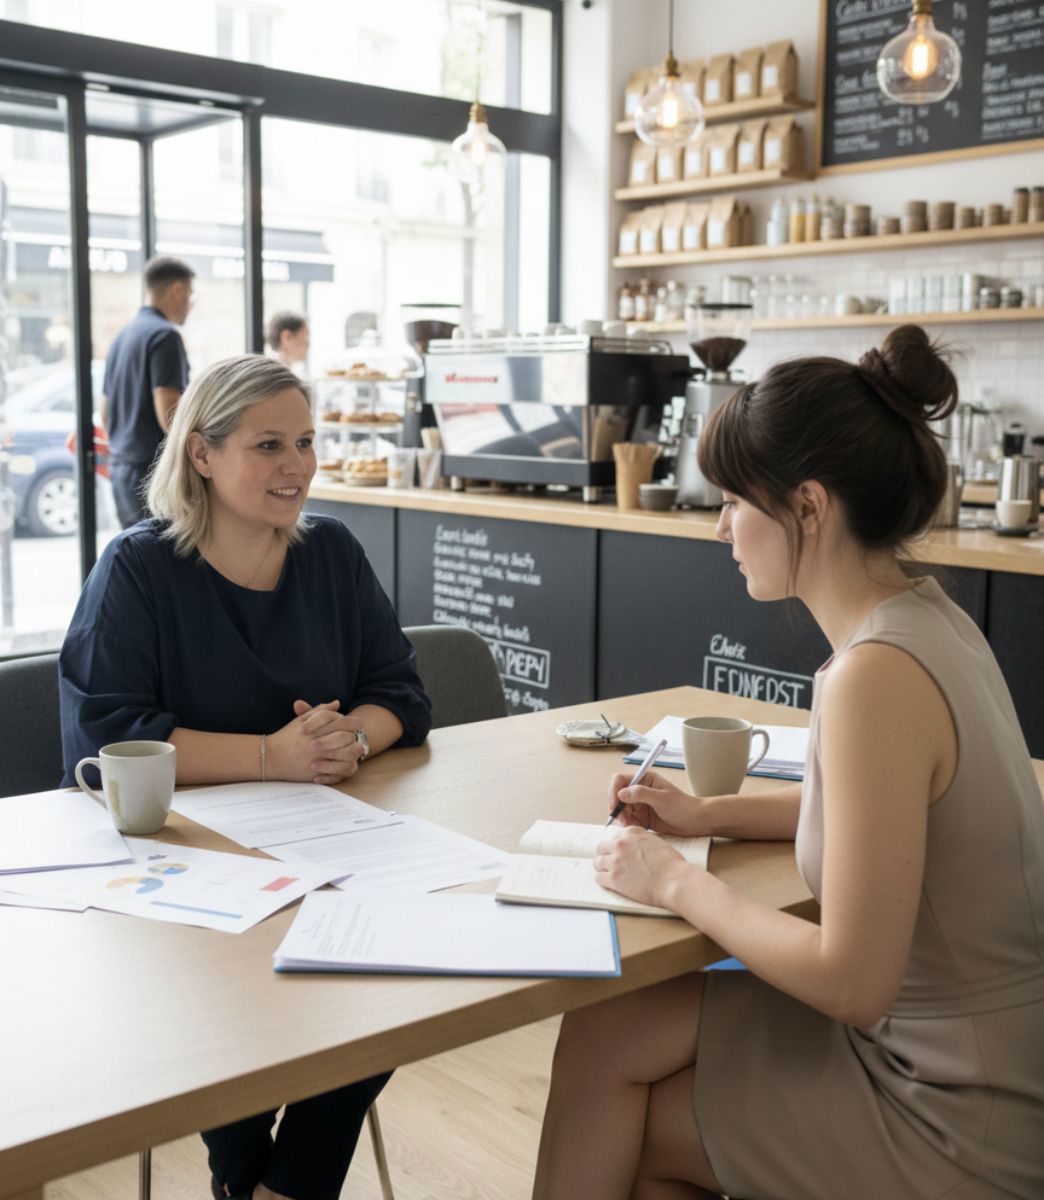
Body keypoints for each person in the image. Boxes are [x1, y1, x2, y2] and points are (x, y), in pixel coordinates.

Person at [532, 325, 1044, 1200]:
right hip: (968, 1046)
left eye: (735, 500)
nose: (721, 525)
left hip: (960, 1107)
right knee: (607, 1030)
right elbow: (880, 816)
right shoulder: (926, 620)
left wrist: (674, 881)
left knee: (636, 1123)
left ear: (808, 506)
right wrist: (707, 814)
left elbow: (850, 980)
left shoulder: (873, 677)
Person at [59, 354, 432, 1200]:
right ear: (201, 454)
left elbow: (400, 691)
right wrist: (273, 756)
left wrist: (349, 744)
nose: (298, 465)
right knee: (219, 1002)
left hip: (329, 853)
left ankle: (270, 1186)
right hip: (183, 874)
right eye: (269, 445)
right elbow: (106, 736)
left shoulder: (330, 552)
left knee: (397, 979)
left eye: (306, 440)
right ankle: (251, 1175)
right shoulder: (137, 569)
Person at [100, 255, 193, 527]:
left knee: (135, 558)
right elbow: (170, 416)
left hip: (120, 470)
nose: (189, 305)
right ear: (177, 289)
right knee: (164, 563)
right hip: (151, 474)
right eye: (189, 294)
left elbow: (104, 413)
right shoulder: (165, 336)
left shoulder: (122, 336)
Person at [266, 310, 311, 378]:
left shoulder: (291, 373)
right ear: (287, 337)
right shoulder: (272, 377)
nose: (308, 344)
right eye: (305, 336)